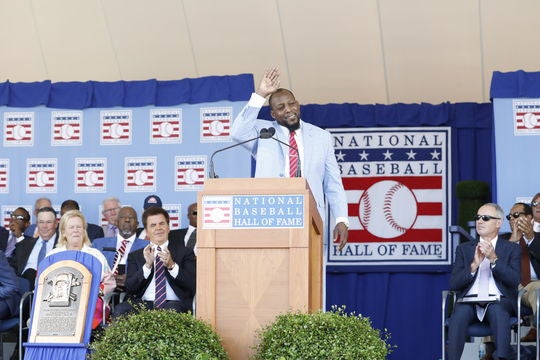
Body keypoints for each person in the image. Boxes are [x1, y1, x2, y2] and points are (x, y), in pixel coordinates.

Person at [231, 67, 348, 250]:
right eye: (281, 107)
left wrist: (341, 219)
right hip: (269, 216)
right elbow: (237, 132)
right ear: (273, 114)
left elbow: (333, 183)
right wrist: (261, 94)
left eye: (291, 104)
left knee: (310, 275)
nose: (288, 110)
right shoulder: (263, 132)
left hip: (310, 218)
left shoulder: (321, 137)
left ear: (298, 104)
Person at [447, 203, 520, 360]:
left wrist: (494, 260)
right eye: (478, 217)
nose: (479, 221)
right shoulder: (464, 249)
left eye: (485, 218)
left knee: (498, 311)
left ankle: (501, 357)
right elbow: (454, 284)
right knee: (459, 313)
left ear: (498, 223)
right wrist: (473, 266)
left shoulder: (511, 249)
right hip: (469, 300)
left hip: (499, 300)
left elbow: (514, 281)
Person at [113, 206, 196, 315]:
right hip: (144, 303)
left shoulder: (185, 252)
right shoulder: (136, 255)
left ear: (168, 227)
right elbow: (130, 288)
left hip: (174, 303)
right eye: (153, 225)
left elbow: (192, 284)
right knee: (121, 310)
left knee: (172, 311)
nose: (158, 228)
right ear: (147, 231)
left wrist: (172, 265)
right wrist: (147, 266)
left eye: (162, 224)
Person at [47, 209, 115, 329]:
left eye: (79, 227)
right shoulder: (53, 255)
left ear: (84, 231)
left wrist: (97, 293)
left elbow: (109, 282)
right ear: (63, 232)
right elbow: (43, 283)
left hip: (90, 301)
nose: (75, 230)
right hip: (57, 303)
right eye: (71, 227)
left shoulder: (96, 255)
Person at [499, 202, 540, 342]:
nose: (512, 219)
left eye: (516, 215)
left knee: (538, 288)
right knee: (491, 294)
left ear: (529, 218)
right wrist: (513, 241)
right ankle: (490, 350)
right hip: (508, 287)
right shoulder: (502, 240)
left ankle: (537, 330)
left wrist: (531, 239)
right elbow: (496, 264)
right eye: (509, 216)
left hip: (533, 285)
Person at [93, 206, 148, 291]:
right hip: (103, 292)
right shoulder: (98, 244)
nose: (127, 220)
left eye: (131, 218)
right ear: (117, 222)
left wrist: (131, 278)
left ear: (137, 224)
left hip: (134, 293)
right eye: (123, 217)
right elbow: (92, 270)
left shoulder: (147, 246)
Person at [10, 206, 59, 290]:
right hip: (23, 292)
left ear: (55, 224)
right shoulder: (23, 245)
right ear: (37, 224)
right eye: (41, 222)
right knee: (30, 272)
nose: (44, 226)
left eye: (48, 222)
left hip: (52, 289)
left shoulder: (63, 246)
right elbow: (11, 268)